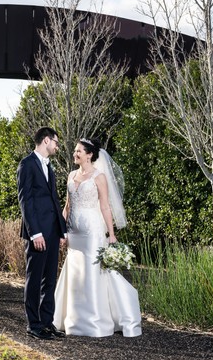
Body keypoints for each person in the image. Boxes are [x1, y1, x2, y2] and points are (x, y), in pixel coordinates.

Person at [53, 138, 142, 337]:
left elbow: (105, 206)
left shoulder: (99, 177)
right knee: (75, 272)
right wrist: (61, 230)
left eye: (78, 151)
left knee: (92, 272)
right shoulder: (71, 174)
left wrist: (111, 234)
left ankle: (95, 322)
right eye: (75, 151)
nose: (75, 154)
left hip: (92, 232)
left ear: (89, 154)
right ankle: (73, 320)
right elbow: (67, 206)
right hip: (74, 233)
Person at [17, 127, 68, 340]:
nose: (57, 145)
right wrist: (35, 233)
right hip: (37, 232)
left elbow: (54, 200)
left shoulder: (50, 166)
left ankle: (47, 323)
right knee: (34, 278)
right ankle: (34, 325)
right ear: (46, 140)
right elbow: (26, 201)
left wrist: (61, 229)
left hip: (52, 230)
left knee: (50, 280)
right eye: (55, 141)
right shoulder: (26, 164)